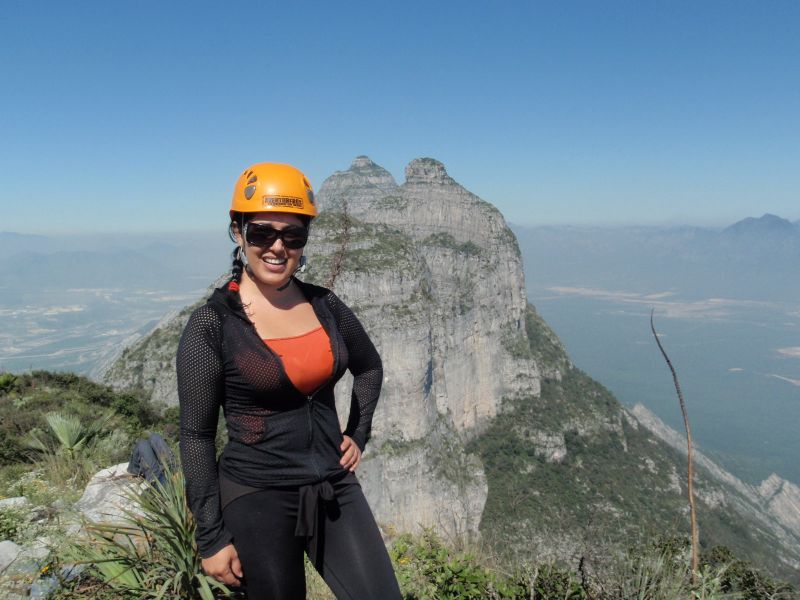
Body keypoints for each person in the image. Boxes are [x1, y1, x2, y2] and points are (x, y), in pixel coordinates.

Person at [177, 162, 401, 599]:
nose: (277, 247)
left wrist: (358, 433)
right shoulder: (213, 324)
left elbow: (369, 367)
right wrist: (211, 538)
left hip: (332, 484)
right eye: (262, 233)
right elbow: (196, 436)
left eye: (292, 235)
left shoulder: (325, 305)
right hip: (256, 492)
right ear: (238, 233)